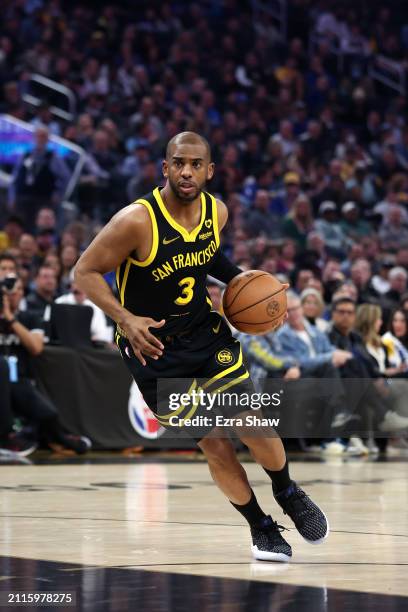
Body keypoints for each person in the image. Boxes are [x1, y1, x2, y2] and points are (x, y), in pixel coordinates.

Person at [75, 131, 328, 563]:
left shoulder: (217, 211)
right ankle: (260, 527)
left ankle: (287, 489)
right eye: (178, 163)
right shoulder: (136, 221)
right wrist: (125, 318)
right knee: (214, 442)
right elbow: (84, 272)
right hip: (154, 351)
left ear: (210, 170)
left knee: (251, 418)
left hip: (204, 333)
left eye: (195, 164)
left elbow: (206, 256)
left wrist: (258, 293)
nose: (186, 171)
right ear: (165, 168)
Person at [0, 276, 92, 456]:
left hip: (20, 381)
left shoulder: (30, 317)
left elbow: (36, 347)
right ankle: (6, 439)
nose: (13, 295)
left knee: (48, 414)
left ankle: (63, 439)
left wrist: (11, 320)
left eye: (17, 290)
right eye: (8, 292)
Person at [55, 279, 114, 343]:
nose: (80, 287)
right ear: (71, 286)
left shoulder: (94, 307)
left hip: (87, 346)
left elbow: (102, 333)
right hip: (62, 344)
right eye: (77, 283)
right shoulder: (60, 302)